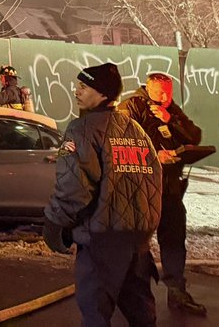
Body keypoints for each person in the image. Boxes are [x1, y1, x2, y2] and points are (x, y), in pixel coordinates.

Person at [44, 63, 162, 327]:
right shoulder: (136, 131)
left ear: (102, 94)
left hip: (101, 240)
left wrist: (54, 224)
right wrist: (145, 227)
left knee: (95, 312)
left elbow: (73, 188)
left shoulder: (82, 129)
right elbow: (154, 182)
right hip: (137, 242)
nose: (77, 91)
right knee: (141, 312)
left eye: (84, 87)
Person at [118, 73, 206, 316]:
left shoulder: (171, 109)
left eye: (169, 93)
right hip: (141, 189)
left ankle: (177, 291)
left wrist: (171, 120)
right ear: (148, 89)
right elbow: (121, 145)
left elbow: (194, 135)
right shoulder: (131, 107)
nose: (165, 98)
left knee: (174, 238)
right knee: (135, 244)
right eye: (160, 93)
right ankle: (128, 295)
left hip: (169, 187)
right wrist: (154, 155)